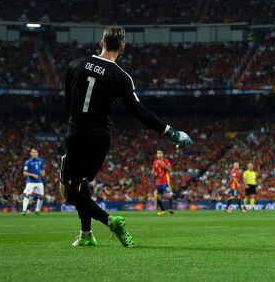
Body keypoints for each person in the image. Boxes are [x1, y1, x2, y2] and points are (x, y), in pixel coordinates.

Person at [60, 26, 193, 247]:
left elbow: (68, 104)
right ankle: (86, 235)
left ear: (101, 42)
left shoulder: (75, 65)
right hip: (102, 137)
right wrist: (171, 132)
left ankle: (110, 221)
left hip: (77, 133)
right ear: (122, 48)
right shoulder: (121, 77)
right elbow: (137, 111)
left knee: (68, 192)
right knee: (81, 180)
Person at [21, 148, 44, 215]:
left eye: (36, 152)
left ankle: (37, 211)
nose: (35, 154)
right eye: (33, 152)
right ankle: (24, 210)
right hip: (30, 181)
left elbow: (42, 169)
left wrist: (43, 173)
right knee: (27, 194)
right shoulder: (28, 162)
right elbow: (24, 173)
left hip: (39, 181)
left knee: (41, 196)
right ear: (31, 154)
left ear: (38, 153)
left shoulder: (41, 160)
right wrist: (32, 175)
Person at [152, 150, 173, 215]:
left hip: (165, 181)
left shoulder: (166, 161)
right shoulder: (155, 162)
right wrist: (153, 174)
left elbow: (170, 170)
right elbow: (153, 171)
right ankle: (163, 211)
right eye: (158, 153)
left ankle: (171, 209)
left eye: (160, 153)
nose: (159, 154)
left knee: (168, 195)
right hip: (158, 182)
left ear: (162, 154)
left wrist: (164, 166)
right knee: (158, 196)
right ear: (156, 155)